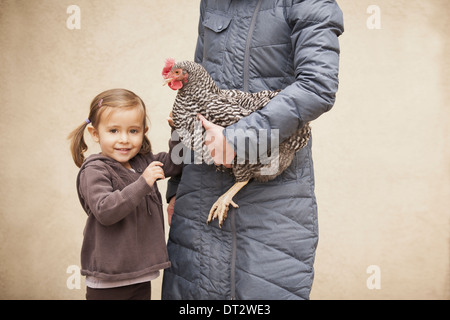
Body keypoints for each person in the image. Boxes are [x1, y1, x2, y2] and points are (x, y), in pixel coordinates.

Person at [162, 0, 344, 300]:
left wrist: (237, 140)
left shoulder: (307, 3)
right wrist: (178, 185)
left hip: (272, 191)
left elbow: (316, 86)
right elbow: (194, 98)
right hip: (199, 196)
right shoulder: (213, 3)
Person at [68, 88, 182, 300]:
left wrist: (177, 130)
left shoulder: (143, 162)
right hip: (108, 280)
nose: (124, 139)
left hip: (139, 275)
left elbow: (178, 163)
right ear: (95, 133)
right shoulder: (95, 169)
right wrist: (143, 183)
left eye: (133, 131)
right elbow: (105, 210)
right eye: (113, 131)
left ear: (143, 131)